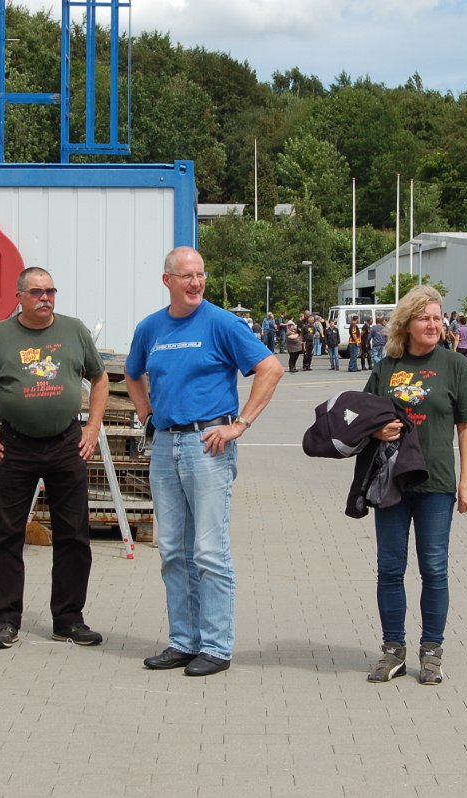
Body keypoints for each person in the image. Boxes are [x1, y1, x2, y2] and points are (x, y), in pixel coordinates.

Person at [126, 246, 283, 677]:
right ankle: (183, 641)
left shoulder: (221, 323)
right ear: (167, 281)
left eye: (200, 275)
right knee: (174, 550)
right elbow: (132, 372)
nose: (195, 283)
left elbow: (270, 368)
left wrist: (241, 424)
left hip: (208, 446)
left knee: (209, 551)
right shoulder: (151, 328)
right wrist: (145, 412)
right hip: (165, 446)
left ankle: (215, 646)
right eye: (186, 276)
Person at [0, 267, 110, 650]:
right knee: (5, 535)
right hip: (15, 446)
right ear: (19, 297)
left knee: (74, 535)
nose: (46, 298)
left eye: (51, 291)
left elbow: (101, 378)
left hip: (66, 443)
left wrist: (93, 427)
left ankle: (69, 619)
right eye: (37, 292)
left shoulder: (74, 330)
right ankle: (6, 620)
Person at [362, 285, 467, 685]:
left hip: (437, 483)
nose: (433, 324)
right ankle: (393, 649)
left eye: (437, 316)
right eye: (424, 317)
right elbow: (363, 419)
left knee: (434, 569)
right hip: (391, 481)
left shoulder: (455, 365)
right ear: (407, 323)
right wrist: (378, 431)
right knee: (390, 569)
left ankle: (432, 651)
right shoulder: (387, 367)